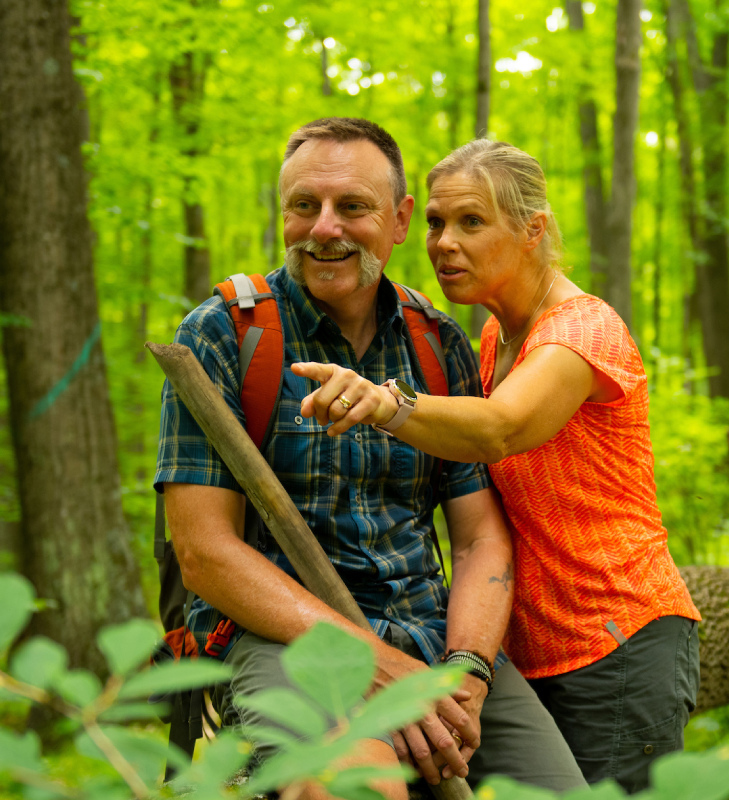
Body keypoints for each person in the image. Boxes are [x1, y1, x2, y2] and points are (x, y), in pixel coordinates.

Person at [155, 119, 585, 800]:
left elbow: (478, 538)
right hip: (281, 637)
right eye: (304, 206)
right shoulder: (224, 334)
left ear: (400, 220)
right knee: (356, 789)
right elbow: (205, 553)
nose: (325, 228)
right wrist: (372, 662)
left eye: (352, 206)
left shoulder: (436, 343)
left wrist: (469, 673)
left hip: (435, 637)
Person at [292, 139, 701, 794]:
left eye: (471, 222)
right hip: (533, 647)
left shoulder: (582, 334)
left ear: (532, 229)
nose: (444, 242)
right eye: (435, 222)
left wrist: (383, 403)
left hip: (615, 640)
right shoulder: (492, 335)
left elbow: (499, 430)